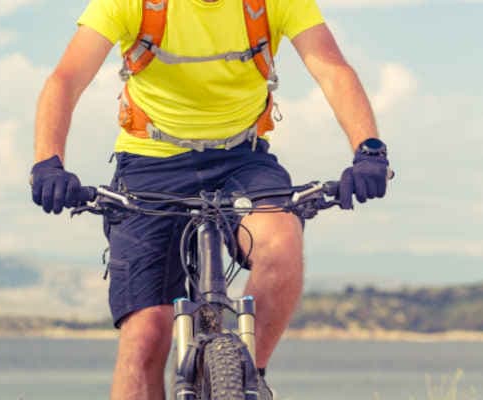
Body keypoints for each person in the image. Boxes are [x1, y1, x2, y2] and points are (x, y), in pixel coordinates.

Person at [29, 0, 391, 398]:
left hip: (241, 157)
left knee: (281, 243)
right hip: (151, 163)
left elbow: (332, 70)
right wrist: (49, 163)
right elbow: (65, 78)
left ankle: (247, 376)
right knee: (146, 331)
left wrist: (368, 149)